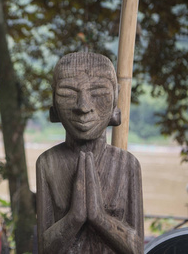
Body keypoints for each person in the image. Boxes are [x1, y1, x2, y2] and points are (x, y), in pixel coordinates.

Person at [36, 52, 144, 253]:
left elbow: (137, 248)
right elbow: (45, 248)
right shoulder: (48, 163)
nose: (83, 107)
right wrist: (73, 218)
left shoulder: (127, 164)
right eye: (67, 93)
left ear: (115, 98)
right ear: (54, 103)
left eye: (99, 93)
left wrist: (99, 218)